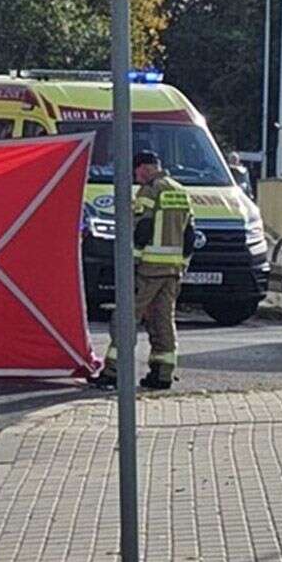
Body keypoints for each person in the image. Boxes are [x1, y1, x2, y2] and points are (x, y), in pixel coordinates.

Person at [92, 150, 195, 391]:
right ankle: (162, 373)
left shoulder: (150, 190)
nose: (136, 178)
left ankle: (114, 372)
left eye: (136, 172)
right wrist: (181, 262)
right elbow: (190, 235)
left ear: (145, 168)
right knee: (163, 321)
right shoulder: (181, 191)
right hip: (172, 270)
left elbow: (143, 229)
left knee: (124, 318)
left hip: (148, 269)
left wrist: (133, 262)